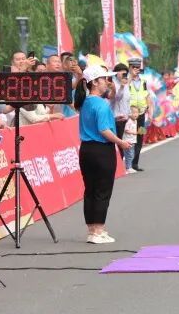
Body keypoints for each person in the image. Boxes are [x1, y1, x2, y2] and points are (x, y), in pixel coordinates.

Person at [74, 65, 132, 244]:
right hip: (102, 150)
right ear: (94, 82)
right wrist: (121, 142)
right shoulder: (101, 105)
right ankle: (98, 230)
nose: (107, 82)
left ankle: (93, 229)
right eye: (104, 79)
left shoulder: (85, 102)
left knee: (90, 190)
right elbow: (104, 130)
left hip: (86, 150)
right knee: (102, 190)